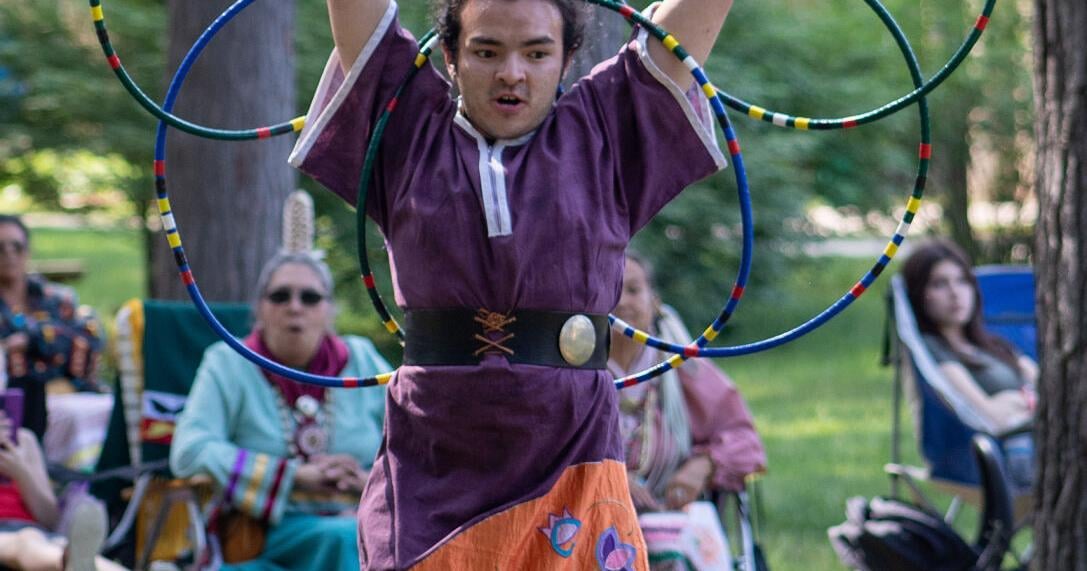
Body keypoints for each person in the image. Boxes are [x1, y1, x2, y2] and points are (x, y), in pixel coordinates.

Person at [288, 0, 733, 567]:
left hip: (571, 453)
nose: (512, 73)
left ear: (567, 57)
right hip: (432, 464)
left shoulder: (605, 133)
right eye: (486, 51)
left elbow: (695, 15)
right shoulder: (405, 128)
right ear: (449, 55)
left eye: (537, 52)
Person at [169, 250, 390, 571]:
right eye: (280, 296)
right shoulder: (229, 362)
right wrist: (292, 475)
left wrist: (365, 480)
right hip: (268, 530)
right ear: (260, 307)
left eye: (310, 297)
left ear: (329, 310)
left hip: (360, 515)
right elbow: (189, 451)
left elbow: (414, 447)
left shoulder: (362, 361)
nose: (295, 306)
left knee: (362, 536)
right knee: (345, 539)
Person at [609, 253, 765, 570]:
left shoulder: (681, 367)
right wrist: (610, 480)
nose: (622, 302)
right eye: (609, 292)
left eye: (634, 290)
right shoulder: (573, 373)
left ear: (654, 302)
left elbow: (744, 440)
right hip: (595, 518)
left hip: (669, 517)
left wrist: (703, 465)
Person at [901, 239, 1038, 489]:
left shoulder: (995, 344)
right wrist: (1027, 400)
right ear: (920, 294)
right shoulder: (935, 351)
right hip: (1010, 458)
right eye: (939, 284)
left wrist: (1015, 401)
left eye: (962, 281)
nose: (955, 293)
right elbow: (989, 414)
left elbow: (1051, 387)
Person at [0, 214, 110, 471]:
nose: (9, 254)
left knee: (108, 411)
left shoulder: (56, 298)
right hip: (17, 403)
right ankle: (70, 487)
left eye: (16, 246)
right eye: (0, 247)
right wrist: (49, 340)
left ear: (28, 251)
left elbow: (88, 338)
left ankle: (100, 493)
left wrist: (30, 340)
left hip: (70, 389)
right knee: (72, 417)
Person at [0, 406, 121, 571]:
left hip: (41, 534)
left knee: (57, 544)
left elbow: (50, 519)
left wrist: (21, 472)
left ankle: (71, 561)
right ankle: (65, 562)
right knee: (26, 541)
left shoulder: (24, 440)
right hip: (11, 536)